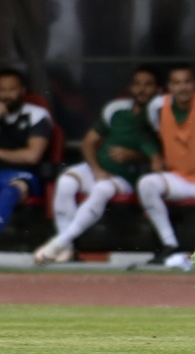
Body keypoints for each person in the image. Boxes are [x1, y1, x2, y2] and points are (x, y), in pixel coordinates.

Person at [34, 69, 160, 263]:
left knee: (102, 189)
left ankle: (59, 243)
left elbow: (159, 158)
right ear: (131, 87)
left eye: (148, 85)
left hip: (126, 178)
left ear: (158, 89)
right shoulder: (118, 111)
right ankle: (68, 248)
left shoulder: (159, 116)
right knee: (66, 182)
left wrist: (133, 155)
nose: (142, 89)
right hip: (97, 169)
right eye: (137, 84)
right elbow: (88, 142)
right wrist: (96, 170)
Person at [135, 66, 195, 268]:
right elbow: (144, 132)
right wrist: (154, 154)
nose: (183, 87)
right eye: (177, 83)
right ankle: (169, 244)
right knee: (146, 183)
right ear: (169, 86)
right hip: (180, 177)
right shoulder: (157, 107)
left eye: (187, 82)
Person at [0, 67, 51, 241]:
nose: (6, 95)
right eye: (1, 90)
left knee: (11, 190)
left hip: (26, 176)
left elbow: (32, 156)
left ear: (22, 90)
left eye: (11, 89)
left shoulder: (36, 114)